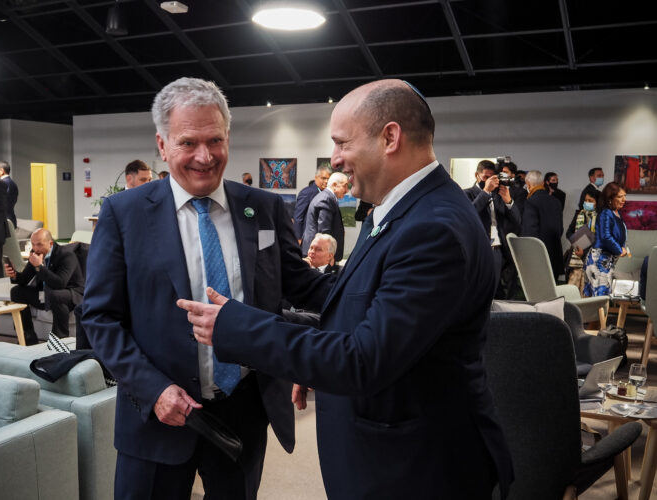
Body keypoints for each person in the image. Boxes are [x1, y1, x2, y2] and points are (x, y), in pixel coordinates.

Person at [178, 79, 513, 499]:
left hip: (415, 468)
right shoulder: (399, 211)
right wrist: (309, 357)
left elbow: (363, 360)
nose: (335, 160)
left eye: (341, 143)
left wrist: (239, 327)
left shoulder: (433, 229)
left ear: (390, 137)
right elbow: (364, 296)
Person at [81, 77, 328, 499]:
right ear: (162, 145)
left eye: (215, 140)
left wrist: (369, 282)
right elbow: (100, 317)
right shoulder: (124, 214)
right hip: (158, 414)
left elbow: (299, 285)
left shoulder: (264, 207)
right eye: (187, 143)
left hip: (243, 410)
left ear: (227, 136)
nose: (204, 156)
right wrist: (153, 388)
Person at [5, 228, 84, 345]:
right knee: (17, 291)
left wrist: (39, 267)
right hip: (48, 294)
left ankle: (60, 341)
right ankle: (28, 337)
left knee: (56, 295)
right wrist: (14, 275)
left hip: (71, 293)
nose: (35, 248)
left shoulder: (66, 255)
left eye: (39, 244)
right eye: (33, 244)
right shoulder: (35, 253)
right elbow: (24, 279)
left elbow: (60, 283)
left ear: (50, 243)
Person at [464, 160, 521, 298]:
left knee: (498, 290)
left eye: (491, 177)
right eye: (485, 177)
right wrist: (485, 192)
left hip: (498, 249)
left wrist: (508, 200)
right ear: (477, 175)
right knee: (479, 289)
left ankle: (497, 318)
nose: (488, 180)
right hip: (480, 249)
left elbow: (517, 220)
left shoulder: (497, 195)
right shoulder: (467, 193)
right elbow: (469, 215)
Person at [584, 182, 628, 297]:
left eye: (625, 196)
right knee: (599, 298)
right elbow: (606, 237)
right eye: (620, 196)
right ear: (610, 198)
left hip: (608, 261)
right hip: (599, 261)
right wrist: (619, 250)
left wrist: (622, 248)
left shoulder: (616, 213)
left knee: (603, 297)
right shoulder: (606, 213)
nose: (624, 199)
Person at [522, 170, 564, 278]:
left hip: (538, 255)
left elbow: (530, 232)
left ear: (528, 184)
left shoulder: (530, 201)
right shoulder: (556, 201)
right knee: (553, 292)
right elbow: (560, 229)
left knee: (537, 292)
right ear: (542, 183)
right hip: (554, 253)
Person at [300, 171, 348, 262]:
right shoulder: (326, 199)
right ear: (334, 185)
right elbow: (324, 230)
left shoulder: (327, 197)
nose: (347, 190)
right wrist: (328, 255)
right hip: (319, 254)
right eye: (345, 186)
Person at [565, 192, 597, 293]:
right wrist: (576, 242)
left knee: (584, 294)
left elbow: (598, 239)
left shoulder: (599, 218)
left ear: (597, 203)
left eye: (590, 201)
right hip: (575, 260)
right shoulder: (579, 213)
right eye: (585, 200)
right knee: (571, 293)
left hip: (590, 260)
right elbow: (569, 232)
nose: (587, 203)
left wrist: (585, 251)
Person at [293, 165, 331, 241]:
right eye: (323, 178)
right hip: (307, 238)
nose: (326, 181)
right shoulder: (307, 192)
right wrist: (298, 238)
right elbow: (298, 217)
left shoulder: (326, 193)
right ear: (316, 177)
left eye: (328, 179)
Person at [0, 161, 18, 228]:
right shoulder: (11, 183)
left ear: (2, 171)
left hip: (4, 220)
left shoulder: (3, 183)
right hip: (8, 218)